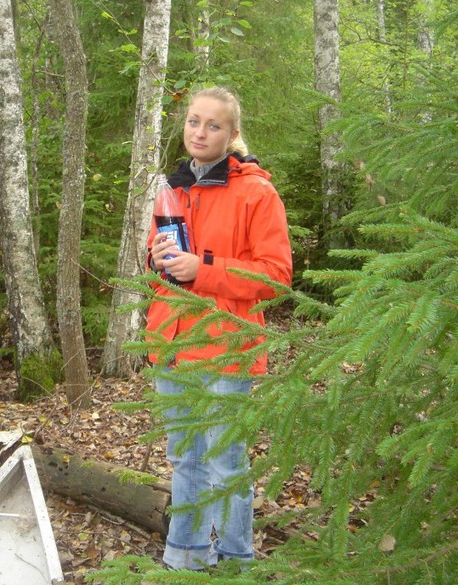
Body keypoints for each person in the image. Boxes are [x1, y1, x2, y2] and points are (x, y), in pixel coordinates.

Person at [146, 86, 293, 570]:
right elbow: (159, 260)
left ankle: (235, 562)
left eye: (213, 125)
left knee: (225, 465)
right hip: (171, 343)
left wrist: (202, 270)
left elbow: (276, 277)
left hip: (226, 348)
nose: (200, 132)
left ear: (232, 134)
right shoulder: (174, 187)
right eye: (193, 122)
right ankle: (184, 557)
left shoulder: (257, 192)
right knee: (184, 460)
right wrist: (157, 259)